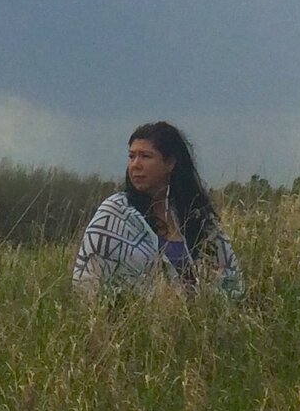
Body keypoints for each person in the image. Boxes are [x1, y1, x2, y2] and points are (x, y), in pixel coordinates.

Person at [71, 121, 244, 297]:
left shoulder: (196, 215)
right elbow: (88, 282)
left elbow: (227, 278)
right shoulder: (113, 214)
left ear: (170, 163)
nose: (135, 165)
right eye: (131, 156)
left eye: (145, 156)